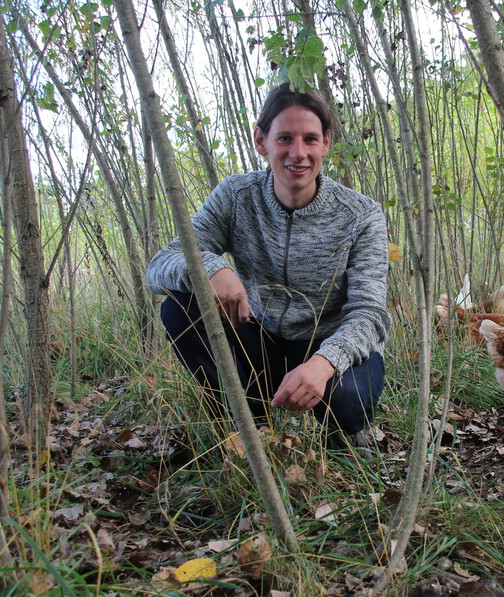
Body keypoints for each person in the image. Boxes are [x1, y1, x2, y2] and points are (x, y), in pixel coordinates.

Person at [147, 83, 390, 454]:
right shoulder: (236, 196)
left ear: (326, 143)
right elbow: (161, 265)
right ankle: (250, 424)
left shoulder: (361, 215)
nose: (298, 153)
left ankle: (342, 443)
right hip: (259, 337)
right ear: (261, 141)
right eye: (285, 139)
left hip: (328, 344)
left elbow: (369, 314)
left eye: (310, 139)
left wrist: (325, 363)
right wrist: (210, 268)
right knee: (179, 308)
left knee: (348, 401)